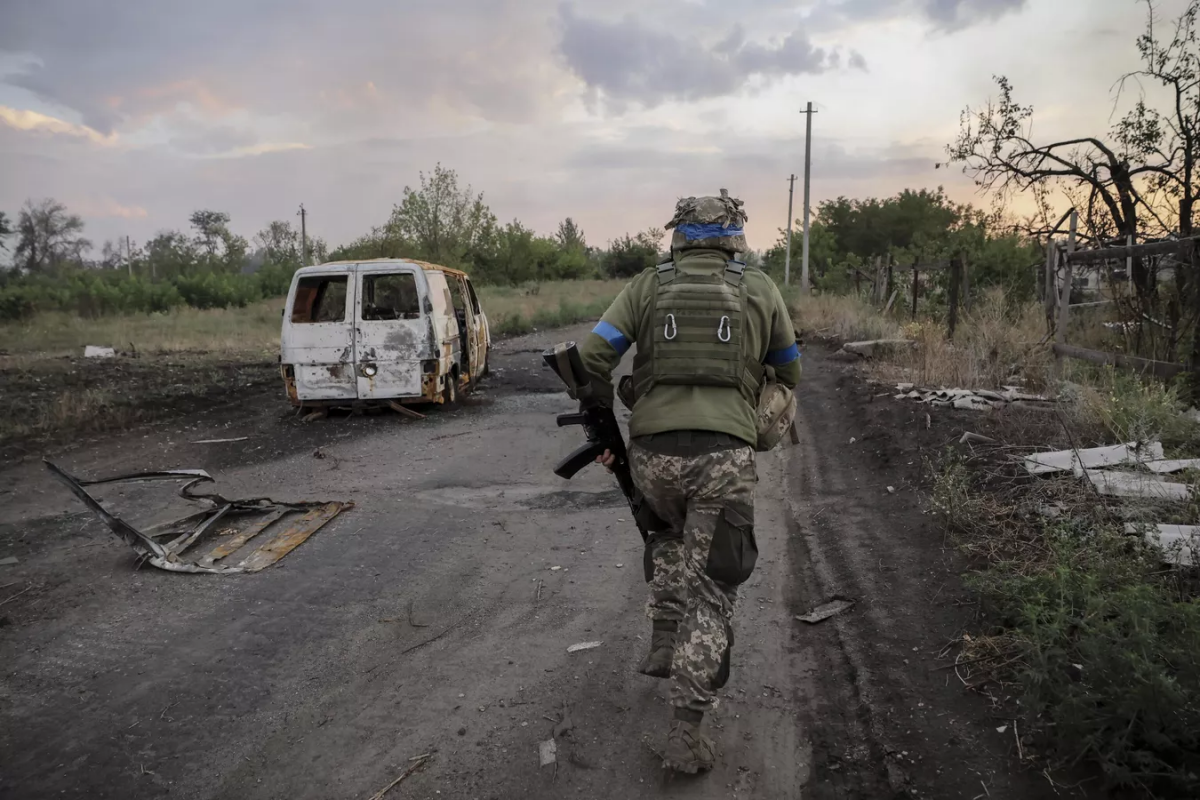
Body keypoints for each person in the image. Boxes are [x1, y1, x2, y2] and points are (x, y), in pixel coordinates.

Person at [577, 190, 801, 774]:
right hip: (724, 457)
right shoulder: (760, 287)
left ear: (677, 234)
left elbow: (591, 355)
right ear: (735, 235)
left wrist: (609, 414)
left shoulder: (648, 286)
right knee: (714, 588)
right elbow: (791, 369)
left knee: (668, 534)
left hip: (653, 456)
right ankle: (685, 734)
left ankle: (663, 641)